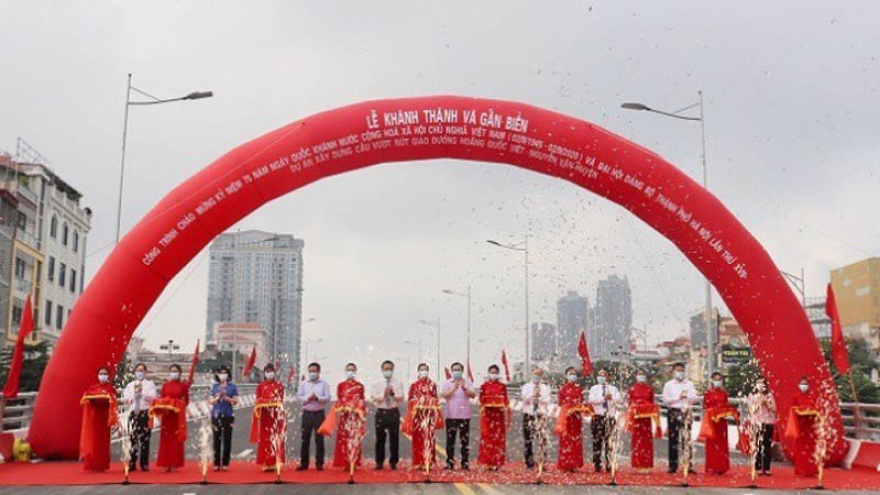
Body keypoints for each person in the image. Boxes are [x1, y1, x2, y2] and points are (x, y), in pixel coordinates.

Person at [79, 366, 118, 472]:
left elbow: (114, 401)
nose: (103, 375)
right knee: (93, 441)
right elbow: (85, 400)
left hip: (105, 418)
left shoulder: (111, 389)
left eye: (105, 374)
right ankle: (92, 464)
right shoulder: (92, 388)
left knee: (103, 443)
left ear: (108, 376)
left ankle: (102, 465)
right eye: (101, 373)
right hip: (94, 417)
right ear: (97, 375)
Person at [153, 364, 190, 472]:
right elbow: (162, 399)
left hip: (177, 416)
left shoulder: (183, 386)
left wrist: (178, 404)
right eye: (172, 371)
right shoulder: (165, 386)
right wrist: (164, 407)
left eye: (176, 371)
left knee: (176, 440)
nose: (174, 373)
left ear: (179, 373)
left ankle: (174, 463)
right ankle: (165, 463)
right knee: (165, 440)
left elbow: (186, 401)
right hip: (167, 416)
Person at [662, 362, 697, 474]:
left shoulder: (689, 384)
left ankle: (688, 464)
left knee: (687, 439)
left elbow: (694, 398)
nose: (680, 373)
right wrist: (677, 398)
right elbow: (665, 400)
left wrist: (687, 398)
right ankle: (673, 465)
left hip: (686, 411)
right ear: (673, 372)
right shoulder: (668, 385)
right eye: (678, 371)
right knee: (673, 439)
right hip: (674, 411)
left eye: (682, 370)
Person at [406, 363, 442, 471]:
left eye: (425, 369)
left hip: (429, 415)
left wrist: (429, 401)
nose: (423, 372)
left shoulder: (432, 385)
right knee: (417, 438)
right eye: (421, 370)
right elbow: (410, 400)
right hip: (418, 415)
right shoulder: (414, 385)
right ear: (418, 372)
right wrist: (417, 402)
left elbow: (435, 399)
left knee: (429, 438)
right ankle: (418, 461)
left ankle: (429, 460)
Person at [440, 362, 476, 470]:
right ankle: (449, 462)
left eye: (458, 370)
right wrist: (454, 388)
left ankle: (465, 462)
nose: (456, 372)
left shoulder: (467, 382)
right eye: (454, 370)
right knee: (450, 441)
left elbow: (473, 395)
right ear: (451, 372)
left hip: (464, 416)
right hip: (451, 415)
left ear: (462, 371)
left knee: (464, 441)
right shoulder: (447, 382)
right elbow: (443, 395)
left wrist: (464, 388)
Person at [371, 359, 405, 470]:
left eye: (390, 369)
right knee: (380, 438)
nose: (388, 371)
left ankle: (393, 462)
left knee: (394, 438)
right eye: (386, 369)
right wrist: (384, 395)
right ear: (382, 370)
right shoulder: (376, 383)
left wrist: (393, 394)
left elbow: (401, 398)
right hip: (381, 411)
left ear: (393, 370)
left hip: (393, 411)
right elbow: (374, 398)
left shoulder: (398, 382)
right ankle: (379, 462)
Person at [122, 363, 157, 472]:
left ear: (145, 372)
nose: (140, 373)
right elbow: (126, 400)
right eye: (138, 370)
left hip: (145, 413)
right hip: (134, 413)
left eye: (142, 370)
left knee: (145, 439)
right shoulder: (130, 385)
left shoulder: (150, 384)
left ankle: (144, 464)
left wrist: (143, 395)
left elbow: (153, 398)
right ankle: (132, 462)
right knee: (133, 439)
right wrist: (134, 396)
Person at [556, 366, 591, 472]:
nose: (572, 375)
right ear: (566, 376)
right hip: (566, 418)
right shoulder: (562, 388)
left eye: (574, 374)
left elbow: (581, 402)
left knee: (575, 440)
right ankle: (565, 463)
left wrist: (579, 408)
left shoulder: (579, 388)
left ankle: (574, 463)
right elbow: (560, 403)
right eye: (570, 373)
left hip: (576, 418)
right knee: (566, 440)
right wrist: (568, 408)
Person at [700, 372, 736, 475]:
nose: (717, 381)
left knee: (721, 444)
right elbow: (705, 406)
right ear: (711, 380)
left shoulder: (724, 393)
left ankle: (721, 467)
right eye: (715, 379)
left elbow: (726, 405)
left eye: (719, 379)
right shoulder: (707, 393)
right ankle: (711, 467)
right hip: (711, 422)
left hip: (721, 422)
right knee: (711, 444)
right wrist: (713, 411)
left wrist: (726, 411)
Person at [297, 362, 331, 470]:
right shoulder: (304, 384)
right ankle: (304, 463)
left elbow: (328, 397)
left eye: (314, 371)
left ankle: (319, 463)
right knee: (305, 438)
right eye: (310, 371)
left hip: (319, 414)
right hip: (307, 413)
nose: (312, 373)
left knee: (319, 439)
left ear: (319, 372)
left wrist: (318, 398)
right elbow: (299, 397)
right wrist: (308, 398)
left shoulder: (324, 383)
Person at [333, 363, 366, 470]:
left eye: (352, 370)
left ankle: (354, 462)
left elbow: (362, 400)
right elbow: (340, 399)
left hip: (355, 416)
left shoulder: (360, 386)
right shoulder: (341, 385)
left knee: (354, 438)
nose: (350, 372)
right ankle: (344, 462)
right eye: (348, 370)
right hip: (345, 415)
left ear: (355, 371)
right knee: (344, 438)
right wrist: (346, 406)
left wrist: (356, 407)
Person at [587, 368, 622, 472]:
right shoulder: (594, 388)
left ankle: (609, 463)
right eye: (599, 375)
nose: (601, 377)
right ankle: (597, 463)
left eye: (604, 375)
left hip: (610, 417)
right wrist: (603, 398)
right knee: (597, 441)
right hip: (598, 417)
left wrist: (611, 398)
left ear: (608, 377)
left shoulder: (613, 388)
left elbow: (619, 400)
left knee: (610, 442)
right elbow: (591, 400)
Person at [785, 377, 821, 477]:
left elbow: (817, 409)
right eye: (802, 383)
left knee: (811, 449)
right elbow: (792, 409)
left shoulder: (812, 397)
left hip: (810, 426)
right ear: (798, 385)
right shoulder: (795, 397)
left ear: (809, 385)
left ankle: (812, 470)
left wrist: (812, 411)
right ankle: (801, 470)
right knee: (800, 448)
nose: (804, 385)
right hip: (800, 426)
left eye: (805, 383)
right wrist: (801, 410)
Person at [251, 363, 284, 471]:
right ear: (264, 373)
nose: (269, 373)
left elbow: (280, 399)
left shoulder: (279, 385)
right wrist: (266, 401)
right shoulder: (261, 386)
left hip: (276, 416)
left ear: (274, 373)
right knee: (265, 439)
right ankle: (266, 462)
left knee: (276, 438)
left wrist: (268, 400)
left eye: (271, 371)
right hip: (265, 417)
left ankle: (276, 461)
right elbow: (258, 400)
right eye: (267, 371)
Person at [627, 369, 659, 473]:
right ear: (636, 376)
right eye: (639, 374)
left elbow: (651, 403)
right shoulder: (632, 389)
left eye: (643, 374)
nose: (641, 376)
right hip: (636, 418)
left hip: (646, 418)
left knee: (646, 440)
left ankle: (646, 464)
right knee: (637, 440)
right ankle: (637, 464)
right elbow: (629, 403)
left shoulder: (649, 389)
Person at [478, 364, 509, 470]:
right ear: (488, 373)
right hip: (488, 415)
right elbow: (481, 399)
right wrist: (486, 404)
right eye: (492, 372)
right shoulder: (484, 386)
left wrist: (502, 405)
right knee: (487, 438)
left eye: (495, 372)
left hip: (499, 416)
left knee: (498, 439)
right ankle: (488, 463)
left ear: (498, 374)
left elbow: (505, 400)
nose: (493, 374)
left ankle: (498, 463)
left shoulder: (502, 386)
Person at [520, 367, 551, 470]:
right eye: (535, 375)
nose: (537, 377)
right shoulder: (527, 386)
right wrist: (533, 396)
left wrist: (540, 396)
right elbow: (524, 399)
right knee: (528, 439)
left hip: (540, 415)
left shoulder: (545, 387)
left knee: (542, 440)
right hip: (529, 414)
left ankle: (542, 462)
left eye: (539, 375)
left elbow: (547, 400)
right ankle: (529, 462)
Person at [210, 364, 239, 471]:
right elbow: (210, 400)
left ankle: (225, 463)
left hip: (228, 414)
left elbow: (235, 401)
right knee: (216, 439)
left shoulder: (232, 387)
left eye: (224, 373)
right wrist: (217, 398)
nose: (223, 375)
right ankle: (216, 463)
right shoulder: (214, 387)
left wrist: (228, 399)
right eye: (221, 373)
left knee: (227, 439)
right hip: (216, 414)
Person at [747, 377, 777, 475]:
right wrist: (759, 404)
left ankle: (767, 468)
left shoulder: (769, 396)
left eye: (762, 383)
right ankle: (758, 467)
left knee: (767, 446)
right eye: (758, 383)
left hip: (768, 422)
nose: (760, 385)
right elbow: (751, 410)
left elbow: (775, 410)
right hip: (757, 423)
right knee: (758, 445)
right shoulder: (752, 396)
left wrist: (767, 405)